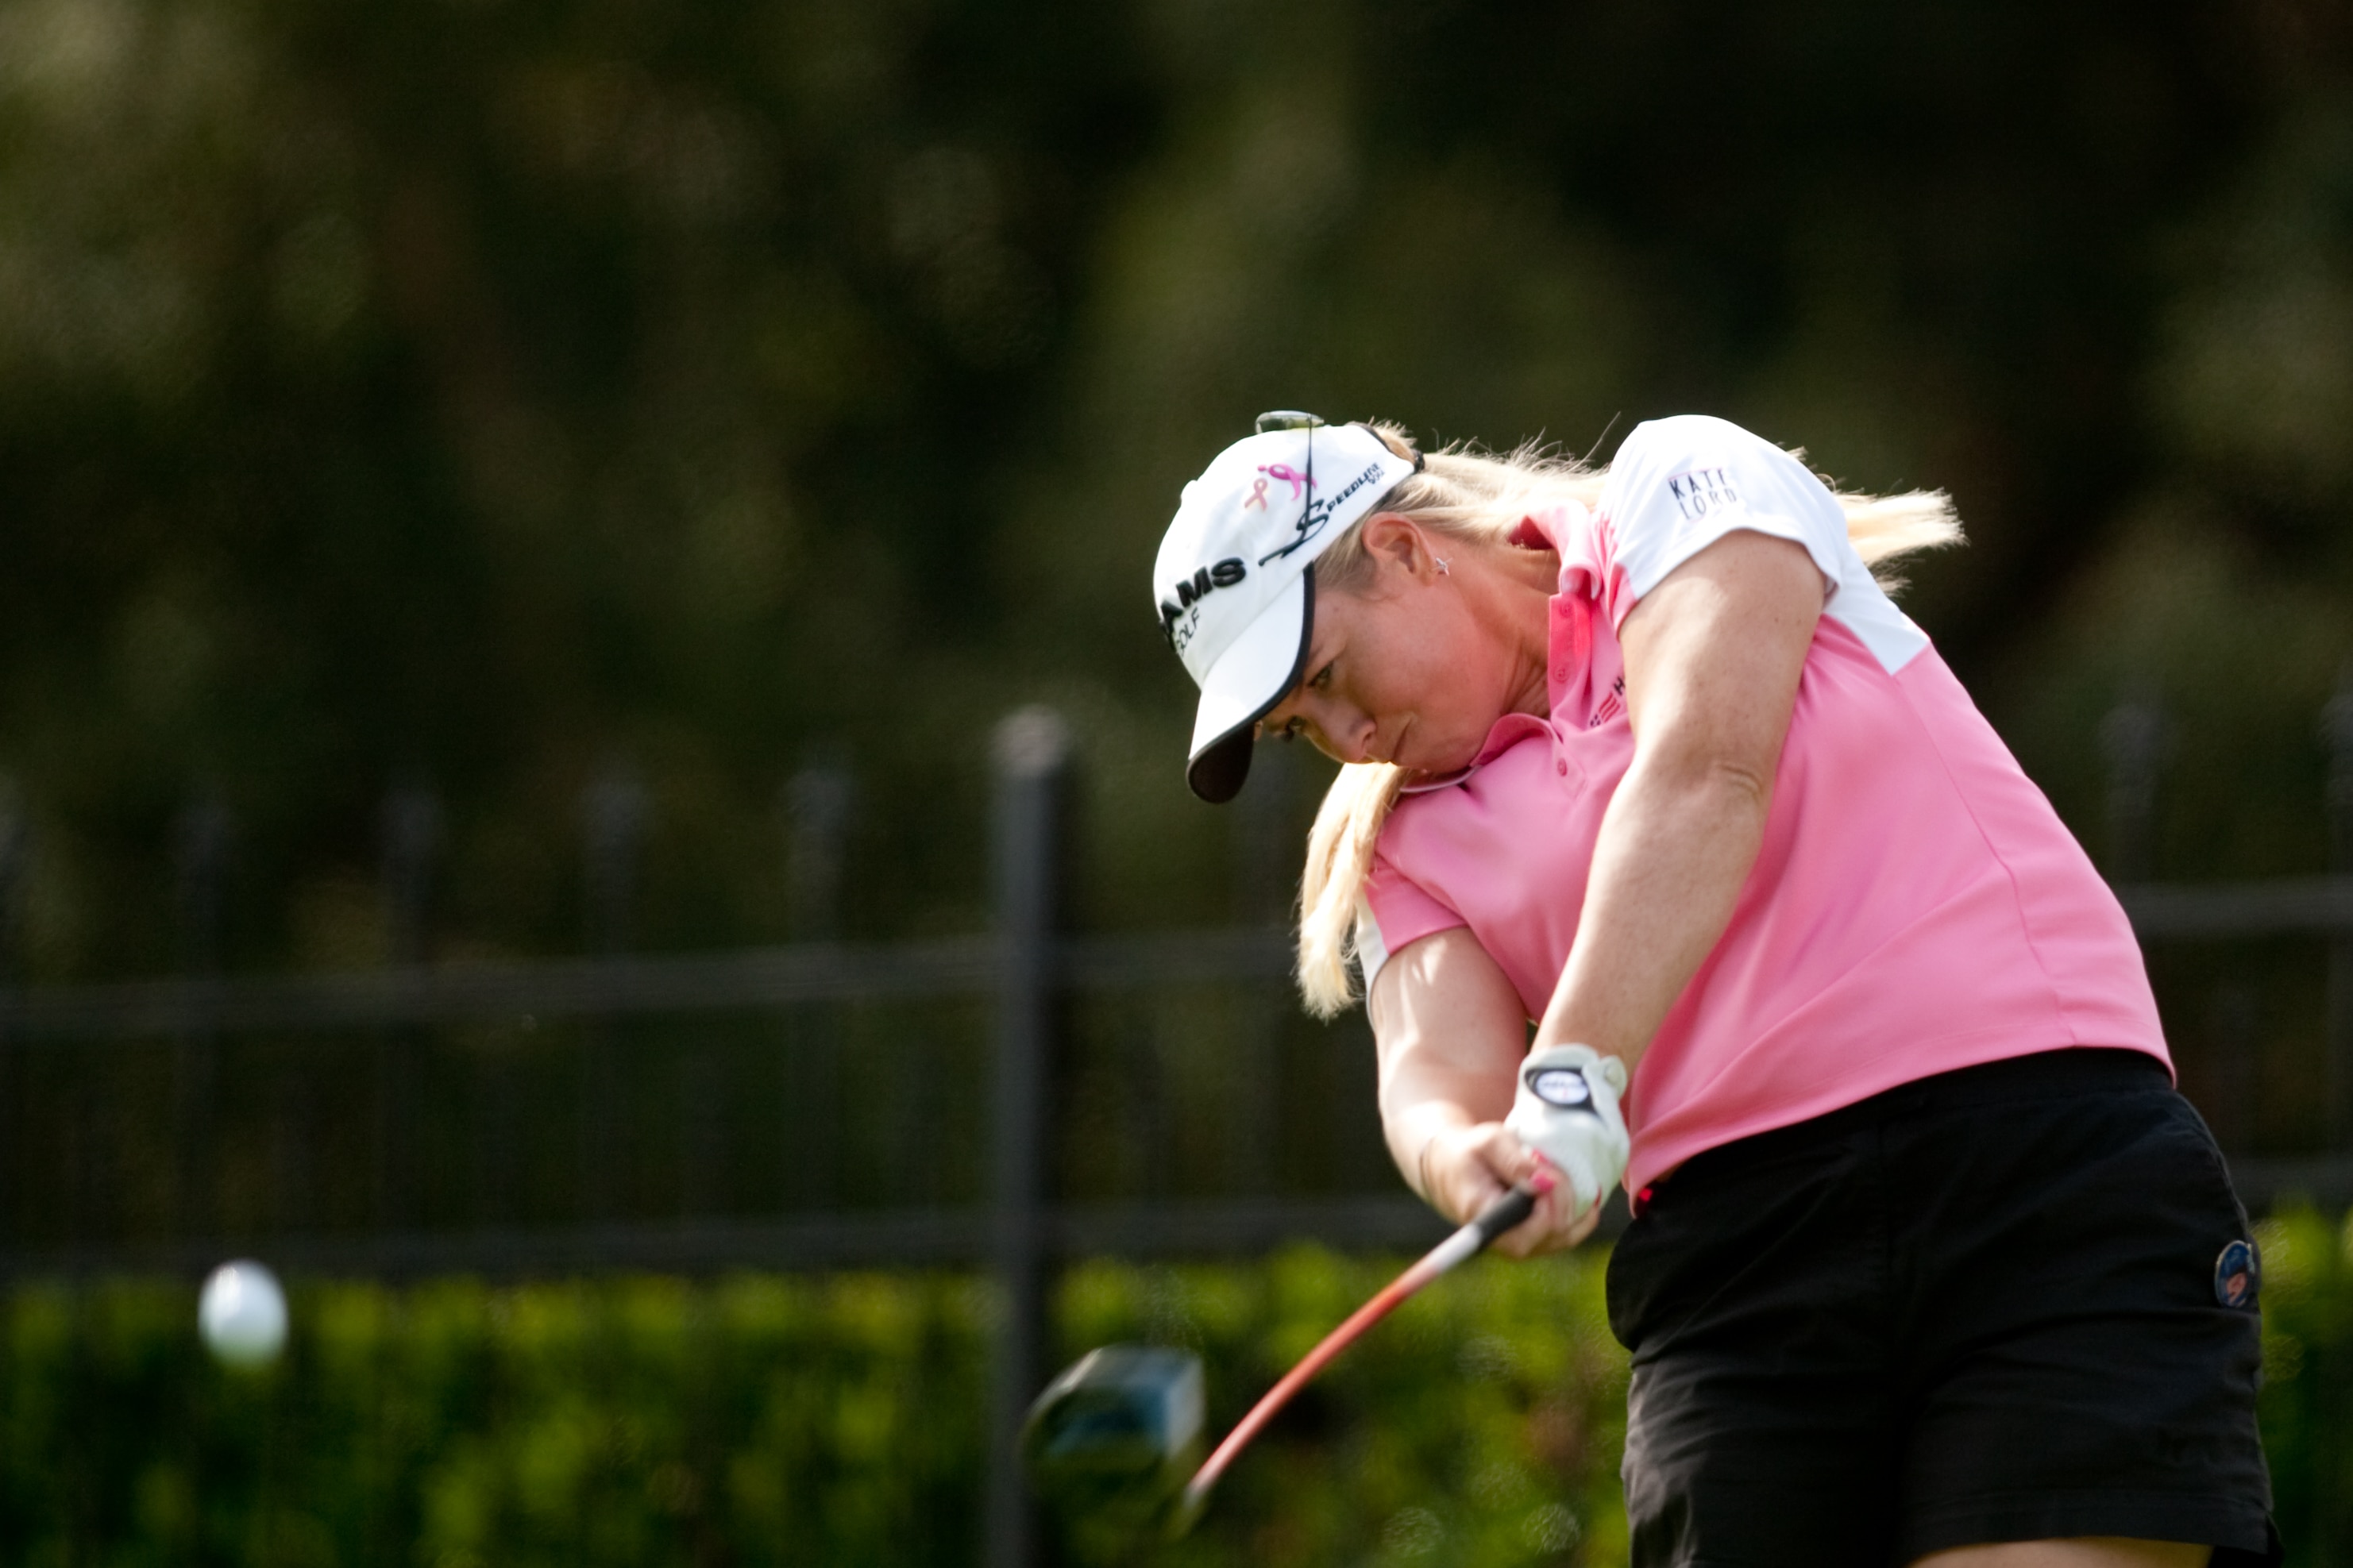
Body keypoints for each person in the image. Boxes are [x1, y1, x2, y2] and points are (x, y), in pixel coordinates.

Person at [1150, 411, 2278, 1568]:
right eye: (1303, 729)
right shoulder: (1403, 841)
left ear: (1398, 547)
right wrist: (1460, 1153)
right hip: (1741, 1279)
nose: (1349, 735)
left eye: (1329, 675)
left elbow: (1706, 770)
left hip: (2035, 1165)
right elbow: (1433, 1064)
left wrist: (1576, 1068)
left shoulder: (1682, 491)